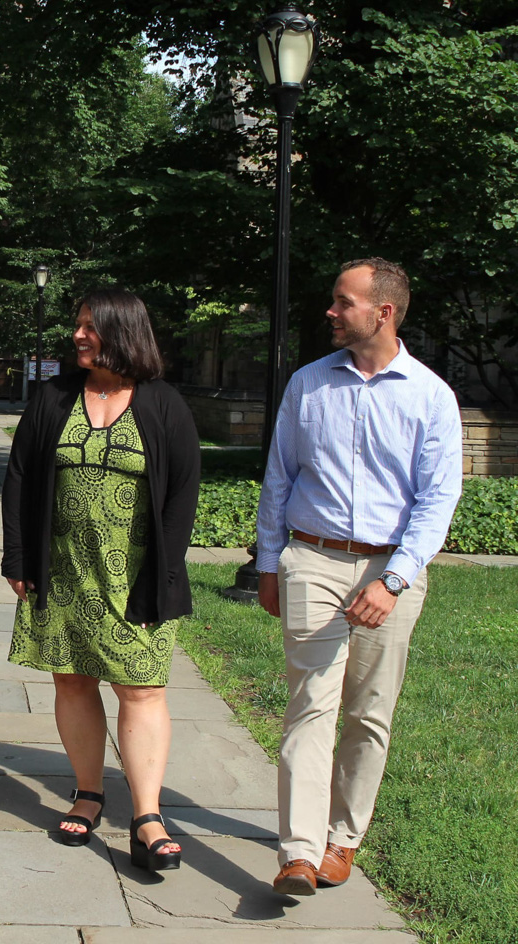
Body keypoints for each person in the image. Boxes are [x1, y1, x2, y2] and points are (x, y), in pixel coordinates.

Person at [257, 258, 463, 897]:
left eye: (343, 302)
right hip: (312, 559)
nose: (331, 311)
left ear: (384, 312)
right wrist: (269, 562)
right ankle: (299, 850)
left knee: (368, 713)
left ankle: (342, 841)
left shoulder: (430, 395)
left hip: (389, 566)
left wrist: (394, 579)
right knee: (310, 706)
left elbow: (437, 500)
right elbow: (280, 476)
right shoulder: (309, 385)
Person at [2, 288, 200, 872]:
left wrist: (158, 582)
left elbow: (182, 498)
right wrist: (19, 558)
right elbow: (19, 477)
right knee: (72, 683)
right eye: (78, 326)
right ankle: (89, 792)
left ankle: (147, 815)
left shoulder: (163, 404)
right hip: (62, 570)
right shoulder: (54, 397)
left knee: (141, 688)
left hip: (136, 578)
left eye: (91, 327)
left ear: (124, 332)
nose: (79, 336)